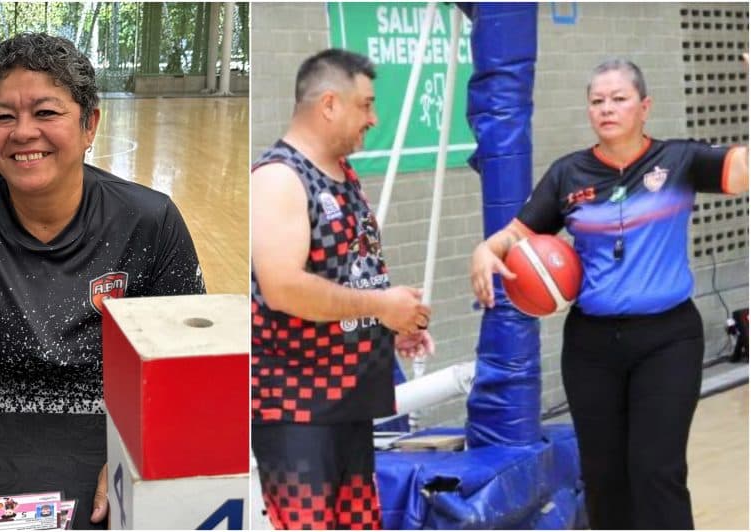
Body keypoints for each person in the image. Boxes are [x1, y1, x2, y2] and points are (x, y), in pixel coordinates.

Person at [0, 33, 205, 529]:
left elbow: (186, 368)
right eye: (3, 116)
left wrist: (138, 459)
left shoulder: (149, 220)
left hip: (113, 432)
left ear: (89, 122)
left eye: (47, 113)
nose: (22, 132)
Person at [470, 58, 749, 529]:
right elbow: (514, 235)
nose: (606, 108)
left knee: (656, 470)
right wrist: (485, 249)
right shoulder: (569, 175)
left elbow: (742, 172)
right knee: (603, 476)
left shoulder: (678, 160)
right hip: (591, 346)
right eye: (597, 101)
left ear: (644, 107)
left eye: (619, 98)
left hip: (668, 340)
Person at [250, 48, 434, 530]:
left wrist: (390, 326)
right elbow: (283, 288)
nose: (373, 119)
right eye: (366, 105)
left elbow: (348, 276)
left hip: (348, 403)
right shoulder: (279, 178)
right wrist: (381, 306)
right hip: (297, 410)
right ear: (329, 103)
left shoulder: (344, 175)